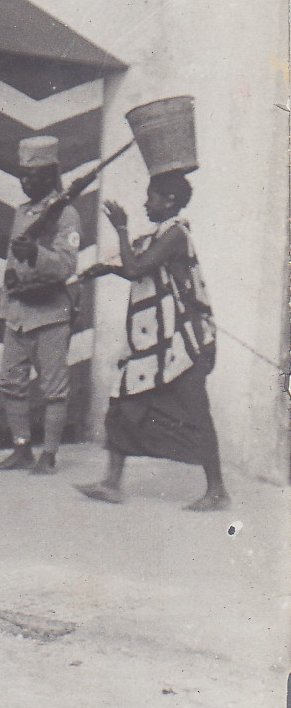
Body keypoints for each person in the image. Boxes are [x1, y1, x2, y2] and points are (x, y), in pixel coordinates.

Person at [76, 171, 228, 510]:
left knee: (196, 412)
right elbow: (135, 264)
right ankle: (112, 483)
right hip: (154, 343)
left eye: (152, 198)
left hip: (181, 344)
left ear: (170, 201)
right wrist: (104, 268)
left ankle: (217, 490)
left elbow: (136, 268)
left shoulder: (176, 235)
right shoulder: (161, 235)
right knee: (122, 402)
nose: (146, 204)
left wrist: (120, 227)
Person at [0, 136, 80, 475]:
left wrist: (37, 255)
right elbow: (13, 265)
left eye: (34, 175)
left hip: (50, 314)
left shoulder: (66, 215)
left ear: (52, 175)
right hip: (18, 312)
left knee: (54, 388)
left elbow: (67, 266)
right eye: (22, 175)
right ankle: (22, 448)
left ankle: (50, 455)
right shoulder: (22, 213)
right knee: (10, 382)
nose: (25, 182)